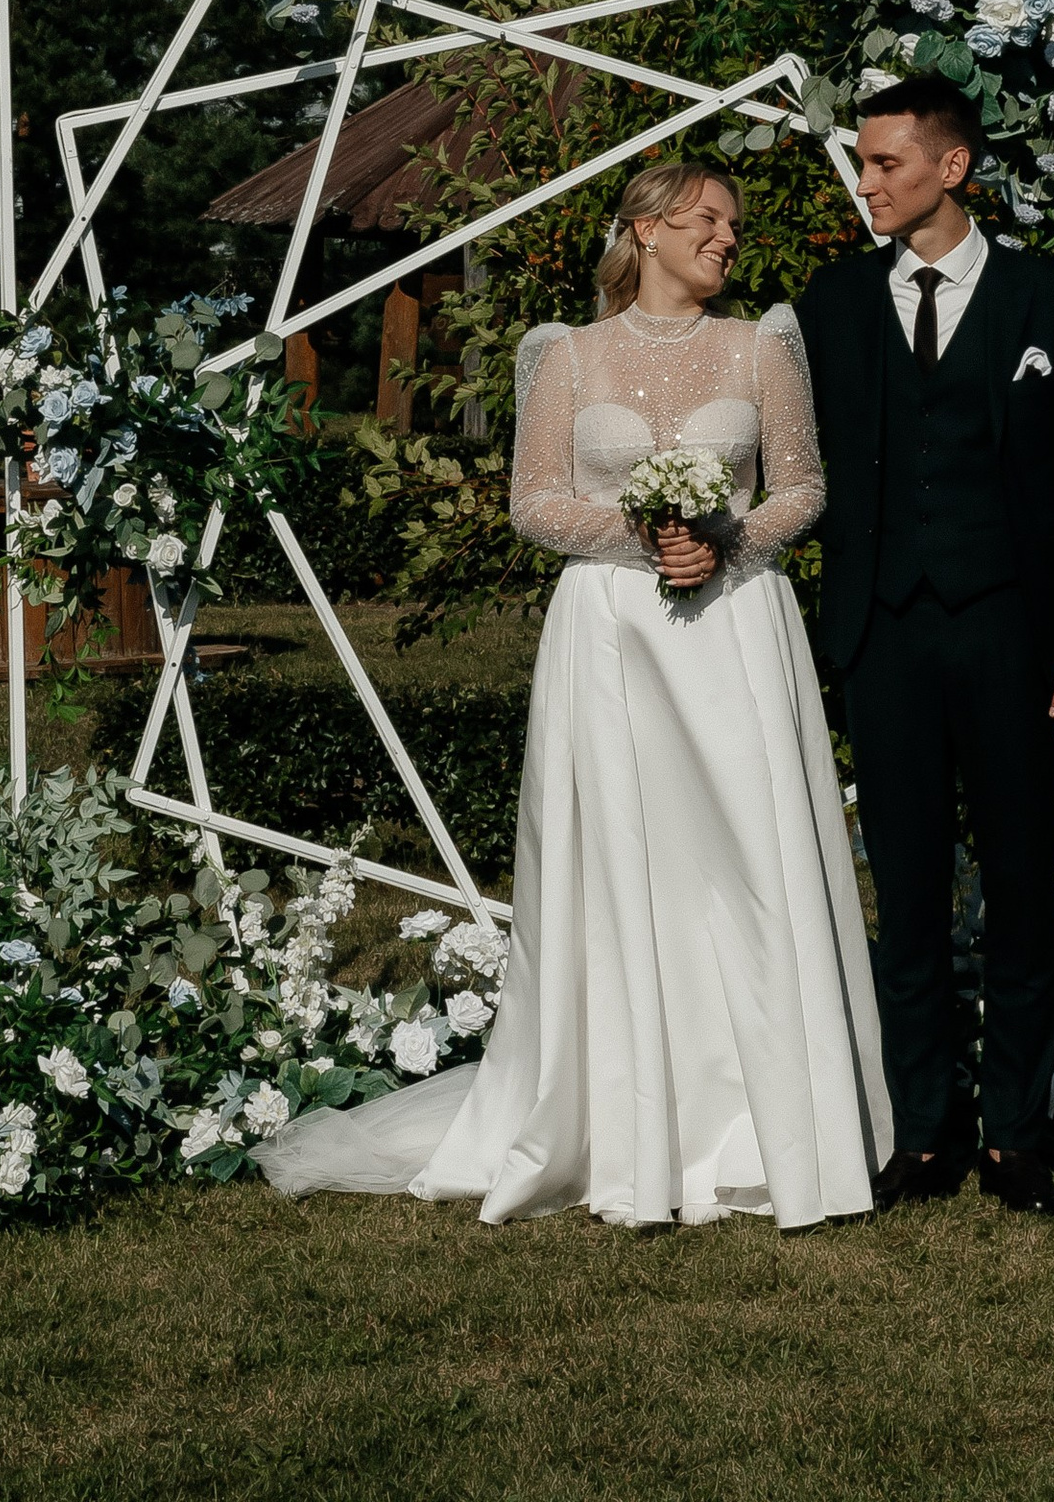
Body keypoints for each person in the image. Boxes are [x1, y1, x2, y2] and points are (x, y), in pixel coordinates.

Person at [257, 154, 890, 1225]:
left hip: (735, 626)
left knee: (747, 865)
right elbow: (535, 502)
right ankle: (618, 1121)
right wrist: (646, 541)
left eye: (732, 226)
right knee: (622, 865)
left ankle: (773, 1125)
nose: (726, 240)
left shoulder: (761, 345)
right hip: (609, 635)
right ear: (643, 230)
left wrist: (723, 543)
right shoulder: (566, 356)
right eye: (706, 219)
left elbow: (805, 487)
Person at [796, 72, 1054, 1218]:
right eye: (864, 162)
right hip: (881, 635)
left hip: (1012, 634)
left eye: (885, 163)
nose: (866, 183)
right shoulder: (831, 304)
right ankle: (923, 1134)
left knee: (1023, 882)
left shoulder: (1049, 303)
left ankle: (1015, 1133)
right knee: (910, 887)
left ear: (951, 167)